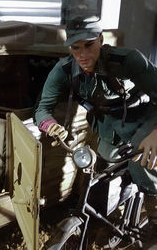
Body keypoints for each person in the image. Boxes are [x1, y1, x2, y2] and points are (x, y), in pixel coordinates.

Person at [33, 17, 157, 242]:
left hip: (146, 119)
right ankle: (114, 216)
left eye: (88, 45)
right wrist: (51, 125)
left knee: (142, 164)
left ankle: (155, 220)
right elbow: (42, 109)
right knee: (101, 169)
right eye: (75, 47)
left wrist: (156, 132)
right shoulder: (64, 70)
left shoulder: (128, 60)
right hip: (109, 126)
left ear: (101, 40)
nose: (82, 54)